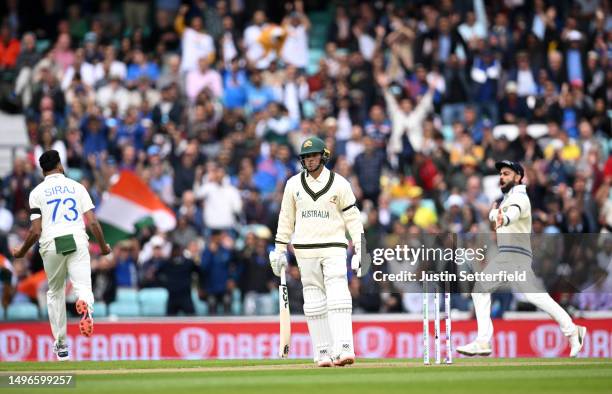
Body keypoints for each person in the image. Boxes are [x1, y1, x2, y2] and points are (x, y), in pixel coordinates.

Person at [456, 160, 587, 357]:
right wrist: (495, 214)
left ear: (518, 177)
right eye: (501, 174)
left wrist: (500, 217)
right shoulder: (508, 199)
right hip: (513, 255)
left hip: (513, 255)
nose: (502, 177)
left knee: (482, 290)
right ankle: (573, 330)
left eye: (506, 173)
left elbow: (513, 214)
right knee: (532, 296)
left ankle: (483, 341)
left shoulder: (520, 197)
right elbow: (502, 214)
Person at [269, 136, 364, 367]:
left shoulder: (340, 183)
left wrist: (362, 248)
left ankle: (343, 348)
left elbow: (353, 218)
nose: (310, 160)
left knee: (338, 293)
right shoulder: (293, 184)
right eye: (306, 157)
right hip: (304, 250)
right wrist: (279, 249)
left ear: (323, 156)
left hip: (333, 246)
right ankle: (322, 352)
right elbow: (286, 219)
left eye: (313, 155)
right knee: (313, 300)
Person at [11, 150, 111, 361]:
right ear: (60, 166)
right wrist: (103, 247)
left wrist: (21, 251)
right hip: (76, 239)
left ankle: (61, 345)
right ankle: (85, 305)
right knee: (83, 286)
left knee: (55, 292)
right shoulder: (77, 187)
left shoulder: (37, 192)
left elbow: (35, 231)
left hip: (52, 244)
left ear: (42, 170)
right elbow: (92, 222)